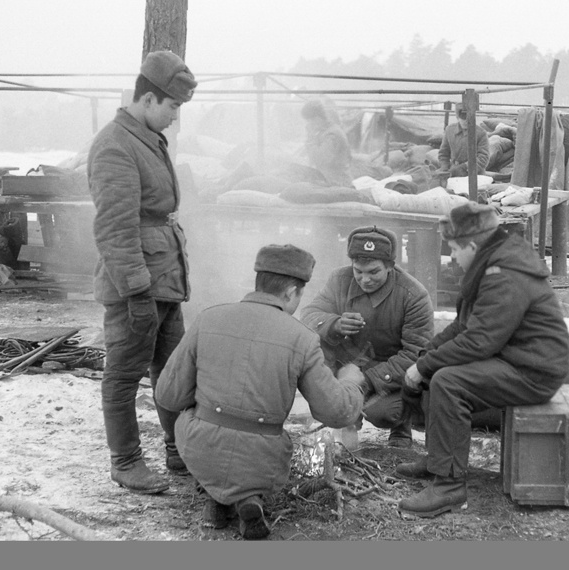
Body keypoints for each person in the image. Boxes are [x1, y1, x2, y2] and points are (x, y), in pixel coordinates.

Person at [156, 244, 365, 539]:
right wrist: (351, 381)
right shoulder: (303, 339)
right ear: (292, 292)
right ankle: (249, 498)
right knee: (256, 452)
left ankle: (217, 497)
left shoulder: (207, 319)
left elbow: (167, 395)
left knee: (204, 429)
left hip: (200, 448)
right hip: (265, 458)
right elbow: (335, 411)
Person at [396, 203, 569, 518]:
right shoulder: (492, 263)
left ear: (473, 245)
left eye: (454, 250)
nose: (452, 257)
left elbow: (479, 341)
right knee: (438, 370)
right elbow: (463, 326)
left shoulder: (503, 273)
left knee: (449, 381)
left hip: (534, 371)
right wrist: (426, 355)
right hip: (516, 359)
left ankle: (449, 488)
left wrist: (424, 365)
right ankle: (439, 459)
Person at [87, 50, 197, 494]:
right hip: (138, 286)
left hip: (165, 282)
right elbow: (115, 228)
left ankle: (178, 449)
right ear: (149, 99)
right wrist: (136, 294)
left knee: (172, 373)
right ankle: (126, 460)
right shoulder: (115, 144)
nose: (174, 118)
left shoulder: (147, 137)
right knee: (124, 373)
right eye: (172, 107)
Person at [301, 226, 434, 448]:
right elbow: (309, 315)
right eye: (358, 271)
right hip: (347, 365)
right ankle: (347, 421)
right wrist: (335, 323)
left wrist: (367, 381)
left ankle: (401, 427)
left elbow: (417, 354)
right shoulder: (339, 279)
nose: (364, 279)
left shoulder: (413, 295)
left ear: (390, 266)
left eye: (374, 272)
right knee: (315, 346)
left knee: (382, 413)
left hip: (391, 375)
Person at [300, 100, 353, 187]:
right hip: (333, 181)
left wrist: (311, 138)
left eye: (309, 121)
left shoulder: (332, 134)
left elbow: (321, 159)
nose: (308, 124)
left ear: (317, 118)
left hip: (337, 183)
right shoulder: (327, 131)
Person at [437, 103, 490, 185]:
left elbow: (483, 158)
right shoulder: (449, 130)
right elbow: (443, 153)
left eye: (468, 118)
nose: (465, 121)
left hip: (474, 175)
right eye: (462, 118)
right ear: (457, 117)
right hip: (454, 174)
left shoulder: (481, 133)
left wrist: (464, 167)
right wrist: (444, 167)